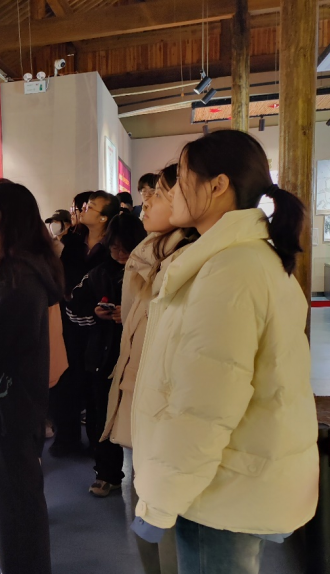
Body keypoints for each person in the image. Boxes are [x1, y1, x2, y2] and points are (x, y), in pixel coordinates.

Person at [130, 130, 319, 574]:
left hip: (217, 488)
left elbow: (204, 406)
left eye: (180, 179)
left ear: (217, 185)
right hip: (225, 478)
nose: (171, 192)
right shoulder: (242, 259)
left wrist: (160, 501)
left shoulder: (229, 270)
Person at [101, 164, 192, 574]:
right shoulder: (150, 255)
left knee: (173, 533)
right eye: (148, 193)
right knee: (149, 519)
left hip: (172, 418)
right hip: (144, 406)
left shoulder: (192, 263)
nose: (147, 202)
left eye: (159, 192)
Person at [0, 180, 64, 574]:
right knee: (18, 500)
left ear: (1, 216)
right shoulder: (24, 267)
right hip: (18, 400)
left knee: (15, 506)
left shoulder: (15, 275)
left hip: (8, 403)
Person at [67, 211, 146, 497]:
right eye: (114, 248)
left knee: (142, 416)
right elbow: (72, 307)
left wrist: (133, 314)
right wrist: (95, 313)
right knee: (101, 417)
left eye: (126, 248)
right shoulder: (98, 274)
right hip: (103, 357)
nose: (120, 254)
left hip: (141, 358)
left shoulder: (153, 273)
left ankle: (147, 476)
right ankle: (107, 474)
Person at [51, 191, 120, 457]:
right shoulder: (71, 241)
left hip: (100, 325)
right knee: (67, 380)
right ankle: (65, 438)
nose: (82, 210)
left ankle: (96, 441)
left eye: (90, 207)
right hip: (68, 318)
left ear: (103, 217)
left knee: (95, 384)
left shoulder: (113, 246)